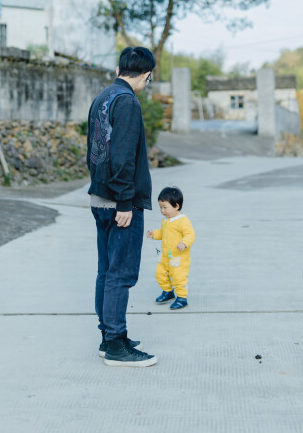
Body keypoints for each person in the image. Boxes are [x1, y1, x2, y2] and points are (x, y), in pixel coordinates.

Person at [87, 46, 158, 367]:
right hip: (120, 202)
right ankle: (116, 343)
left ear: (119, 68)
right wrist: (126, 202)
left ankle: (109, 336)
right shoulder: (128, 102)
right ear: (146, 74)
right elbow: (123, 157)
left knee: (106, 270)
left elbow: (95, 151)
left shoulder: (103, 97)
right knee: (121, 273)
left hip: (100, 197)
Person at [146, 186, 195, 310]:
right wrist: (154, 234)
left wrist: (184, 243)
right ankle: (168, 292)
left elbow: (190, 234)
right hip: (165, 256)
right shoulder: (166, 220)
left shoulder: (182, 221)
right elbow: (163, 233)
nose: (162, 210)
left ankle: (182, 299)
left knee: (179, 279)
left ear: (176, 206)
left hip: (178, 259)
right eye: (161, 207)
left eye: (165, 207)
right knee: (160, 274)